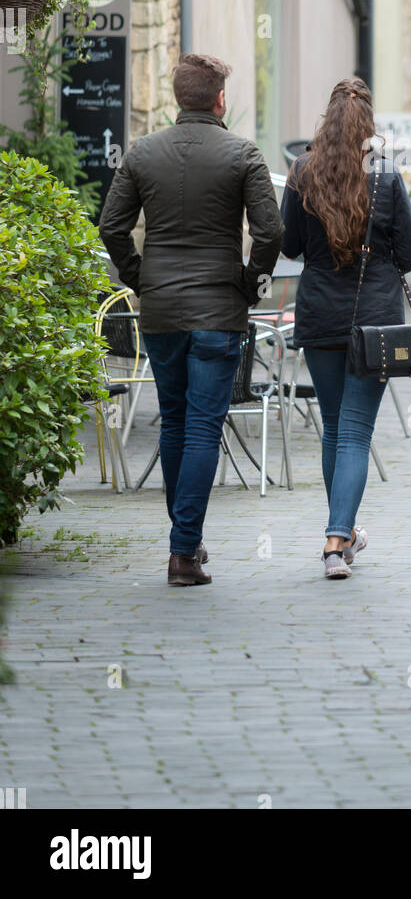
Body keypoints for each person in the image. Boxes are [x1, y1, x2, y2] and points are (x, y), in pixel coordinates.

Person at [99, 53, 284, 587]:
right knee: (204, 424)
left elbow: (112, 228)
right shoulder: (242, 154)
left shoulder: (142, 152)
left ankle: (185, 543)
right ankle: (184, 550)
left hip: (160, 312)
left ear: (178, 97)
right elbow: (270, 233)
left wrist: (140, 277)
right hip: (218, 311)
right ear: (220, 99)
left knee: (176, 421)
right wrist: (249, 283)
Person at [281, 77, 411, 579]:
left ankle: (342, 533)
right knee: (355, 434)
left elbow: (290, 248)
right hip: (376, 321)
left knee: (335, 428)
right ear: (369, 128)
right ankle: (336, 542)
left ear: (326, 122)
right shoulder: (385, 176)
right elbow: (410, 254)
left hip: (319, 316)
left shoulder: (302, 172)